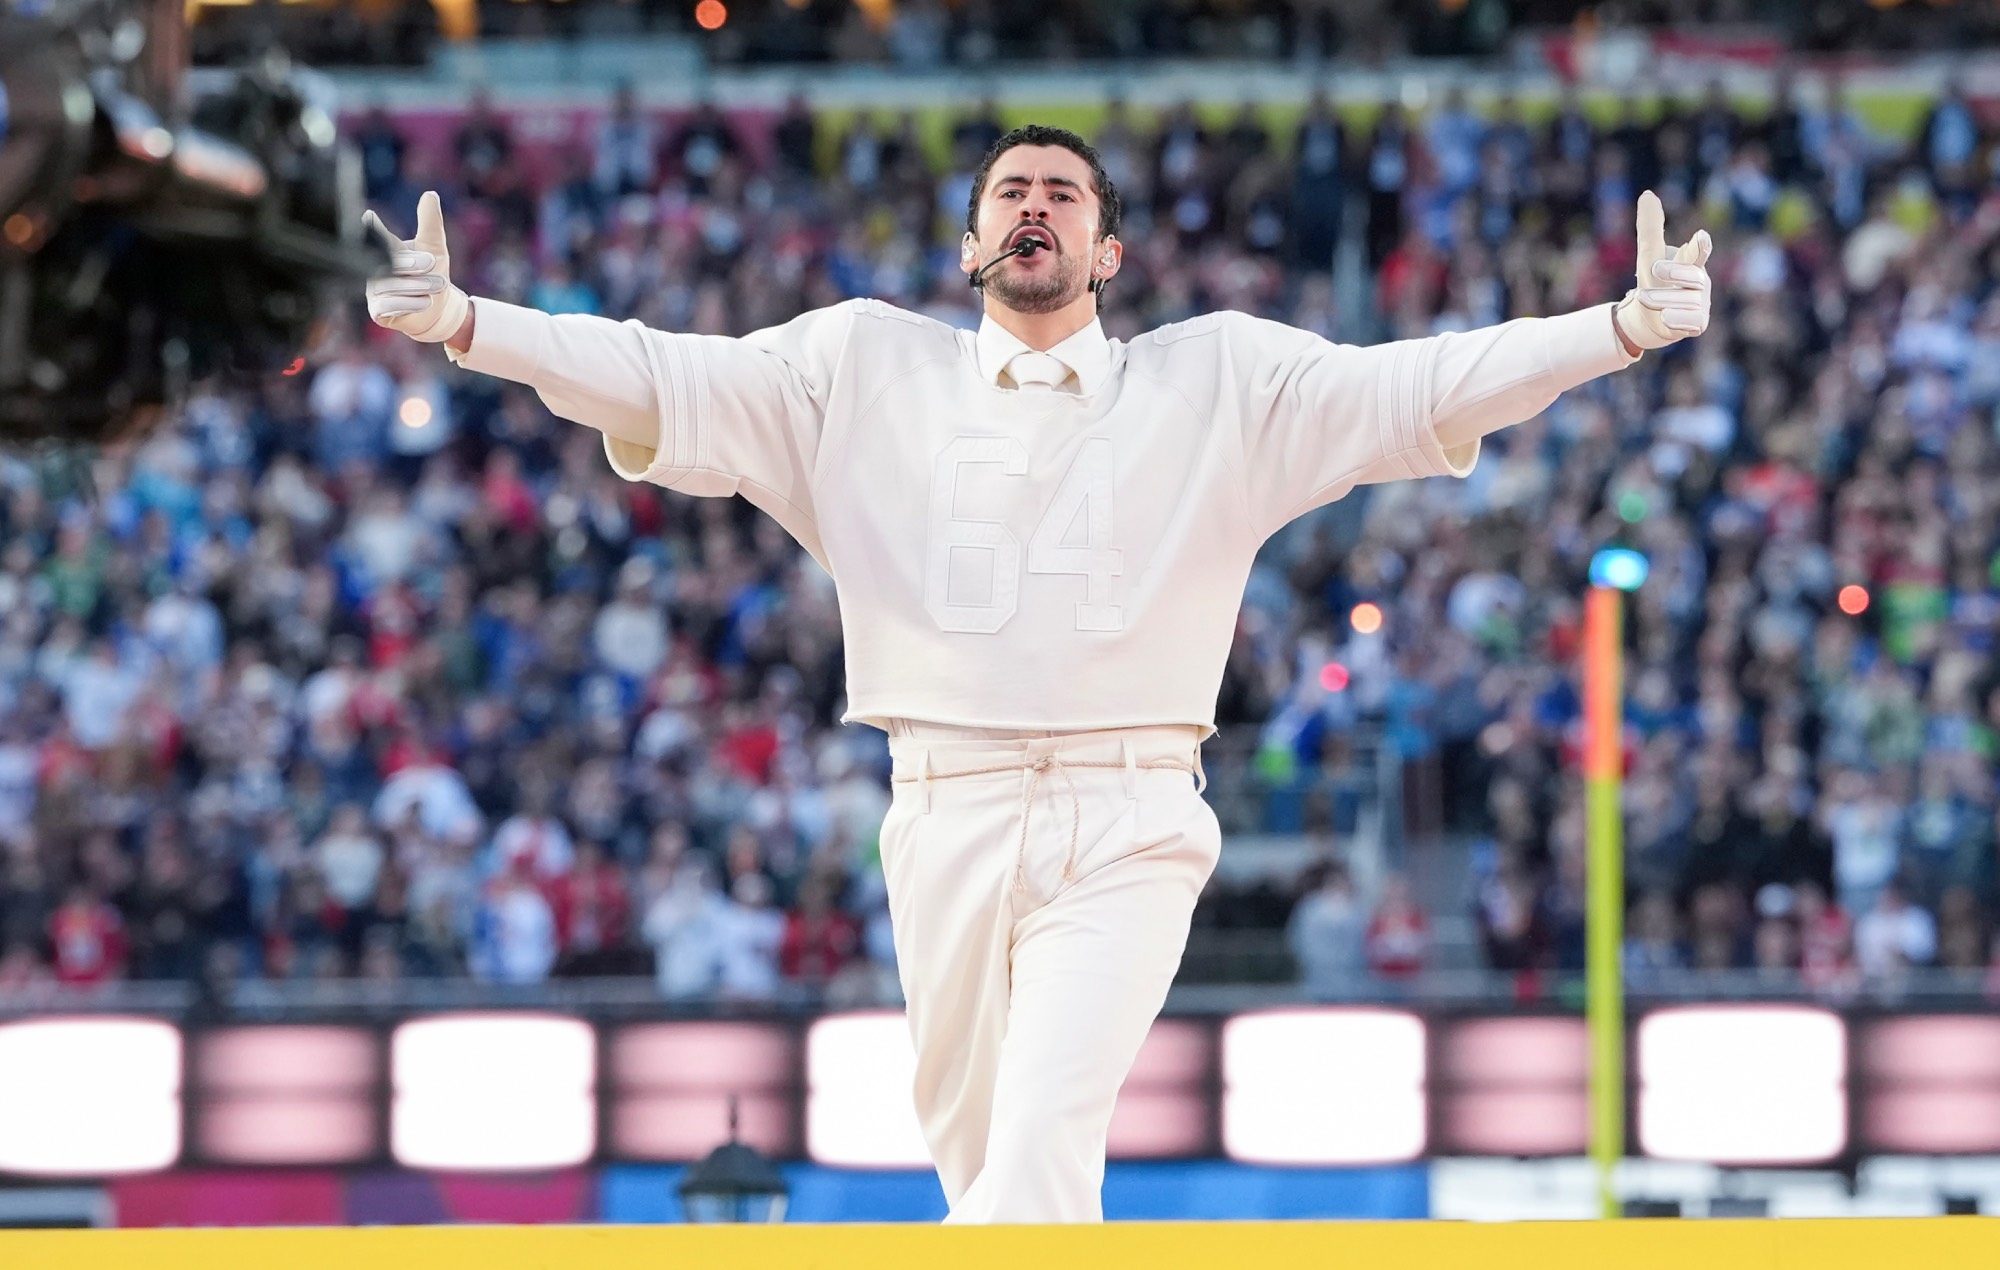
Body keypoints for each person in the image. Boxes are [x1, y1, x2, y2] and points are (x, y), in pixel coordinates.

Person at [365, 124, 1712, 1224]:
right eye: (1011, 189)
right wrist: (472, 322)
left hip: (1129, 813)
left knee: (1040, 1155)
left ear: (1106, 249)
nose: (1036, 206)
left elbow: (1425, 383)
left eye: (1064, 193)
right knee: (984, 1169)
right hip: (939, 805)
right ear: (969, 244)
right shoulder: (856, 364)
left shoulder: (1219, 381)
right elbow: (657, 372)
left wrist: (1621, 327)